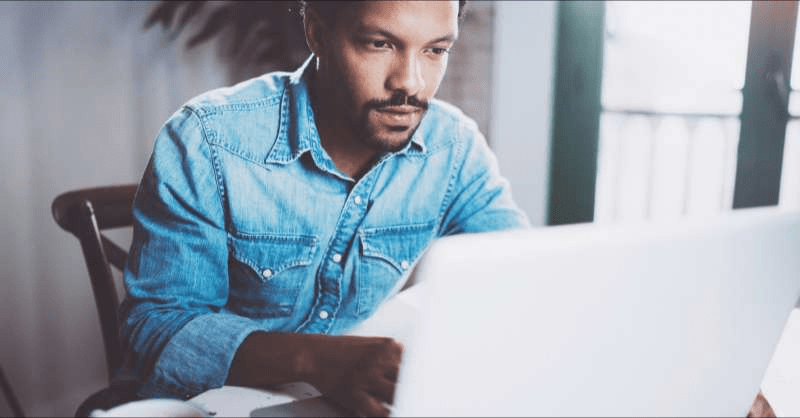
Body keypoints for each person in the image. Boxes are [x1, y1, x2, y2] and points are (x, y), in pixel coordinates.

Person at [119, 1, 530, 416]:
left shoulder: (453, 148)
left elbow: (515, 283)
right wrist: (318, 361)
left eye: (435, 50)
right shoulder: (206, 140)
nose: (410, 82)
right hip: (215, 406)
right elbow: (156, 332)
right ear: (317, 32)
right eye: (379, 43)